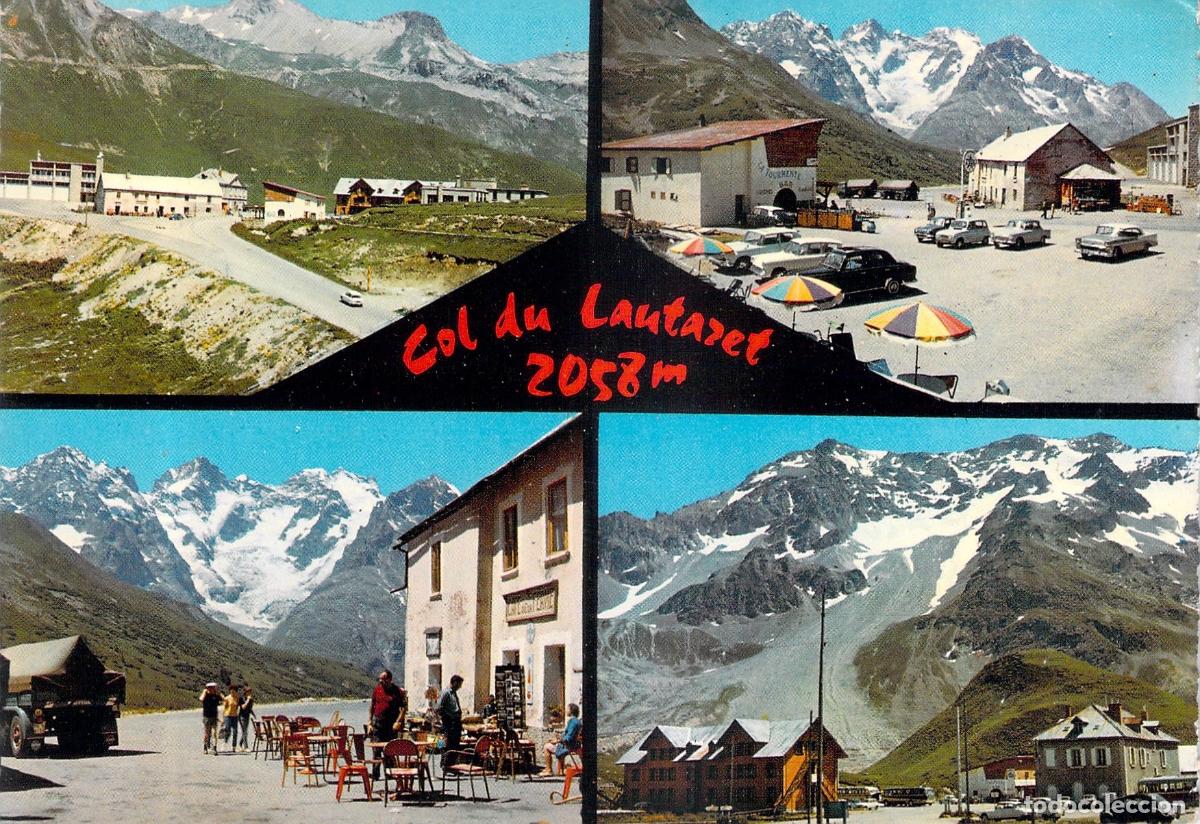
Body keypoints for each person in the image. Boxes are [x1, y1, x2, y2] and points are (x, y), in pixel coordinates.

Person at [368, 669, 407, 779]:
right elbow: (372, 706)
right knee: (376, 750)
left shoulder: (397, 691)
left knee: (389, 749)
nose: (381, 681)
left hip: (391, 725)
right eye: (379, 679)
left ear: (390, 679)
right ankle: (375, 774)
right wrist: (369, 721)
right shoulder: (377, 690)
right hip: (378, 723)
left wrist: (398, 721)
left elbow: (403, 708)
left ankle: (389, 772)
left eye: (383, 679)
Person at [542, 703, 582, 776]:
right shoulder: (577, 721)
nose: (566, 711)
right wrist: (557, 739)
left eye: (567, 709)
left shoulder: (573, 722)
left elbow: (569, 737)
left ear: (571, 710)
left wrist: (558, 741)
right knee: (552, 742)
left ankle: (549, 770)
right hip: (572, 744)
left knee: (546, 747)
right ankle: (561, 770)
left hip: (568, 746)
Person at [438, 675, 464, 767]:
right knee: (446, 744)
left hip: (456, 722)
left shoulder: (454, 693)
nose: (460, 687)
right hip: (449, 722)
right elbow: (440, 708)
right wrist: (448, 717)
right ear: (454, 683)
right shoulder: (446, 693)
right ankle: (445, 764)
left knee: (455, 744)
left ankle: (452, 765)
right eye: (459, 684)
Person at [200, 682, 220, 754]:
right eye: (211, 687)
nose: (212, 689)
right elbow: (201, 699)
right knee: (207, 733)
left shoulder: (215, 696)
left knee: (215, 733)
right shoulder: (205, 696)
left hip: (214, 716)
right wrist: (204, 692)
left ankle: (214, 747)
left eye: (213, 687)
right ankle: (205, 746)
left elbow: (222, 699)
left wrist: (217, 692)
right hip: (207, 716)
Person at [221, 684, 240, 752]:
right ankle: (224, 743)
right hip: (227, 716)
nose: (232, 691)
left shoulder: (237, 698)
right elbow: (224, 708)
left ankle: (234, 747)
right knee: (228, 730)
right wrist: (223, 719)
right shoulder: (227, 698)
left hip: (235, 717)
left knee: (235, 732)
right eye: (231, 690)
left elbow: (237, 707)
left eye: (234, 690)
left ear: (236, 691)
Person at [238, 686, 256, 753]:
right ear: (245, 692)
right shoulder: (241, 698)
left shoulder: (251, 699)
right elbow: (243, 707)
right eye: (249, 692)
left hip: (247, 716)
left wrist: (254, 715)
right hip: (241, 716)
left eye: (251, 691)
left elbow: (250, 708)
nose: (250, 693)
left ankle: (240, 744)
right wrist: (248, 700)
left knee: (245, 731)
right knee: (244, 731)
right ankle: (246, 747)